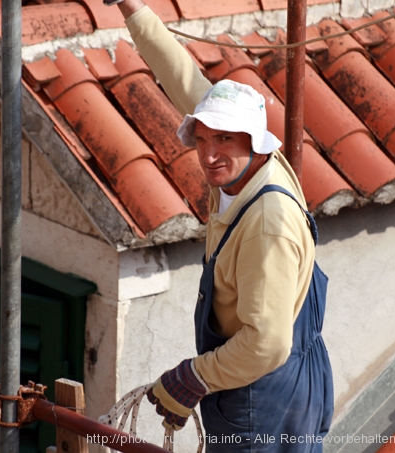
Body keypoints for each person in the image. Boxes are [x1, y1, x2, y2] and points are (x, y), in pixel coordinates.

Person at [111, 1, 334, 451]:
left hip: (263, 393)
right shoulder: (249, 164)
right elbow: (183, 79)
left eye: (224, 140)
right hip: (292, 375)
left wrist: (193, 377)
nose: (209, 154)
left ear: (252, 142)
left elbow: (267, 344)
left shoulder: (266, 224)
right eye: (203, 138)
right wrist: (133, 8)